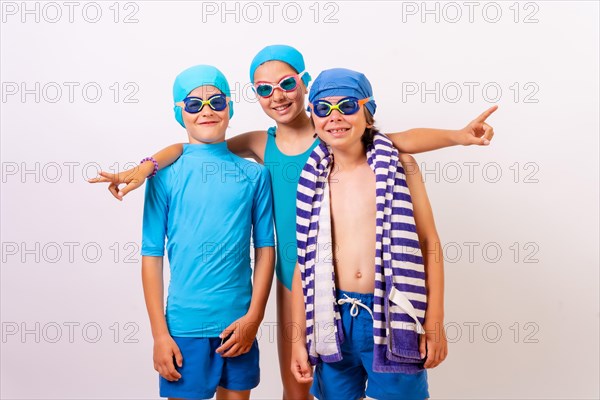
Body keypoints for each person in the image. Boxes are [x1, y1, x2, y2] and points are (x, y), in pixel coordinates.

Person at [90, 45, 494, 399]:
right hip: (293, 277)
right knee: (297, 385)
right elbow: (195, 147)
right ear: (254, 97)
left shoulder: (334, 135)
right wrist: (145, 167)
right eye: (264, 89)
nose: (276, 95)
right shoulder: (258, 143)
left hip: (348, 282)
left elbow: (402, 139)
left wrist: (458, 136)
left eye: (286, 83)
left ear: (304, 83)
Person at [291, 68, 447, 400]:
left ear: (367, 111)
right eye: (323, 108)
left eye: (346, 106)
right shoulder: (314, 178)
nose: (335, 117)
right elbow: (302, 265)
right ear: (313, 118)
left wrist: (434, 319)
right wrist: (296, 341)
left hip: (392, 312)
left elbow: (428, 242)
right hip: (331, 319)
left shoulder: (398, 166)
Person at [141, 64, 275, 400]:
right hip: (184, 326)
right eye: (193, 104)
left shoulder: (254, 175)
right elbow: (151, 256)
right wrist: (160, 334)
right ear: (179, 112)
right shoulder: (165, 175)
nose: (206, 111)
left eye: (216, 101)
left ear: (229, 106)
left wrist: (254, 318)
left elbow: (266, 250)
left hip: (237, 323)